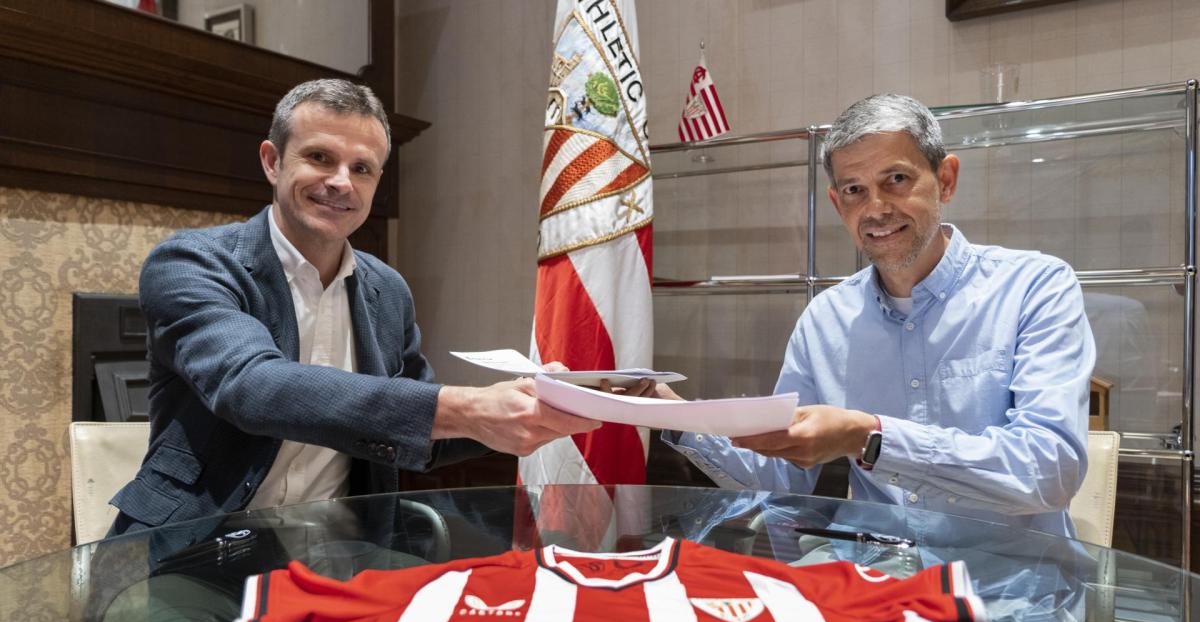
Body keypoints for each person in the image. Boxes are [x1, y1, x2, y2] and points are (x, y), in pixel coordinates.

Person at [107, 78, 599, 538]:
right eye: (320, 157)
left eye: (361, 168)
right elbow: (250, 387)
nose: (342, 182)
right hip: (196, 550)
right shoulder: (191, 262)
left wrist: (530, 406)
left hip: (344, 550)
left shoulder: (388, 290)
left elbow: (418, 432)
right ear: (272, 161)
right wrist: (466, 407)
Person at [643, 93, 1096, 540]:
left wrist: (870, 438)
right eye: (855, 190)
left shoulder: (1035, 286)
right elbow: (780, 477)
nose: (876, 208)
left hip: (1009, 589)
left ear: (946, 181)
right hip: (877, 583)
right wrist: (675, 415)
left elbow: (1048, 469)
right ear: (838, 204)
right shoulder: (827, 319)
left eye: (896, 178)